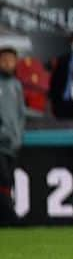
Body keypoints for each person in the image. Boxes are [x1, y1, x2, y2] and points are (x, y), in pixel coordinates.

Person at [0, 47, 26, 225]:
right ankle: (9, 217)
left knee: (7, 181)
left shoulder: (16, 85)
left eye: (11, 60)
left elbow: (20, 114)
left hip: (12, 144)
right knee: (3, 179)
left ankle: (6, 216)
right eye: (4, 60)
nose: (8, 63)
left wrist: (17, 135)